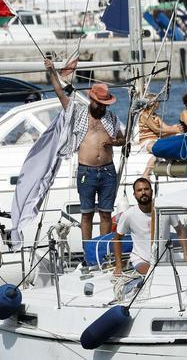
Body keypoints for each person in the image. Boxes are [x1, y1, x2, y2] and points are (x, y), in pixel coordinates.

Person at [44, 56, 126, 245]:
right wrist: (51, 71)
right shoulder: (78, 113)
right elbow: (60, 93)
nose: (102, 107)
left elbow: (123, 139)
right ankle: (89, 252)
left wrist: (114, 142)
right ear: (91, 100)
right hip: (86, 171)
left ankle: (103, 250)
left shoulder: (111, 117)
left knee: (106, 214)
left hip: (108, 171)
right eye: (100, 104)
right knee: (87, 214)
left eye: (105, 105)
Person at [114, 177, 187, 276]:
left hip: (164, 260)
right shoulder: (128, 215)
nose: (143, 192)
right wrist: (118, 266)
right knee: (153, 274)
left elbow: (180, 230)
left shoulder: (165, 210)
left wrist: (186, 254)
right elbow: (117, 239)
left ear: (152, 191)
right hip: (141, 260)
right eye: (139, 190)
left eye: (146, 189)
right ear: (134, 194)